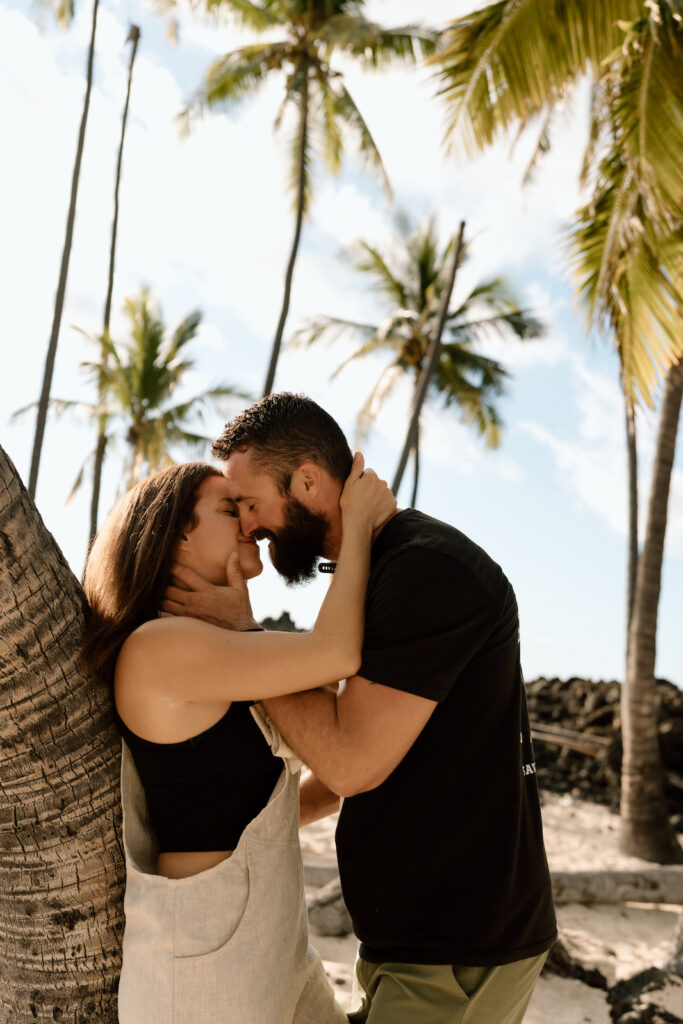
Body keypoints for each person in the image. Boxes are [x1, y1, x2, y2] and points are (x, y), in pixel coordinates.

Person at [163, 392, 558, 1024]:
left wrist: (244, 640)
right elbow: (361, 764)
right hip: (414, 941)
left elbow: (349, 761)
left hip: (459, 949)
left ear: (309, 481)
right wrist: (236, 836)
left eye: (250, 503)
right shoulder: (378, 575)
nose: (247, 526)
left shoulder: (426, 570)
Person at [80, 454, 395, 1024]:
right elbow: (338, 653)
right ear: (175, 538)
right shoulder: (159, 648)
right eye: (230, 510)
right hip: (204, 959)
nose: (250, 525)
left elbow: (300, 785)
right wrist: (359, 527)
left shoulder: (222, 650)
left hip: (274, 944)